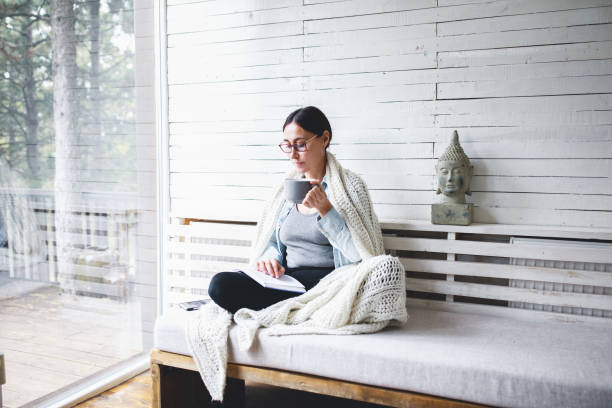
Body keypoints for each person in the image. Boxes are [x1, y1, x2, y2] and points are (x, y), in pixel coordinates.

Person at [208, 106, 366, 314]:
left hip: (328, 282)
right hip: (288, 280)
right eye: (287, 145)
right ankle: (290, 308)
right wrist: (271, 260)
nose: (293, 154)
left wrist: (326, 210)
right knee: (220, 284)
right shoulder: (285, 190)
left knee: (319, 292)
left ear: (324, 139)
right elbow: (273, 241)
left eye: (300, 145)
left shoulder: (349, 188)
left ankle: (295, 307)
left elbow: (360, 255)